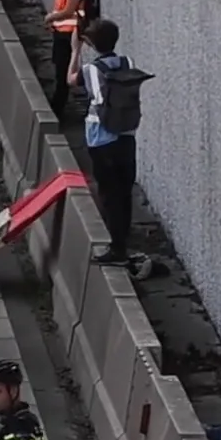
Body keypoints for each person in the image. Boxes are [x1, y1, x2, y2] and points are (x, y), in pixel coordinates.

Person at [69, 17, 142, 266]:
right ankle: (123, 242)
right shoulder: (127, 62)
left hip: (102, 140)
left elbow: (71, 79)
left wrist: (75, 50)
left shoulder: (91, 69)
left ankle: (117, 249)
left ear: (90, 42)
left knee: (109, 194)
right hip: (127, 135)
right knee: (124, 191)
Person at [44, 0, 99, 115]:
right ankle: (59, 106)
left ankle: (58, 109)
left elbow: (68, 11)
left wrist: (50, 17)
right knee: (63, 70)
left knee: (63, 72)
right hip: (68, 33)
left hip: (68, 35)